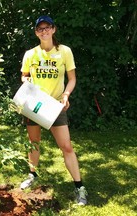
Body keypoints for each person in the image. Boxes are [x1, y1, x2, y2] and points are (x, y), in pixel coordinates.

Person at [19, 15, 88, 205]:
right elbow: (24, 76)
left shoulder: (64, 51)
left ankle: (79, 187)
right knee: (33, 142)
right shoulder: (30, 54)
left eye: (47, 27)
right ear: (36, 32)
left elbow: (72, 78)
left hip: (56, 105)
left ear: (53, 29)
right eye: (40, 29)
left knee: (66, 146)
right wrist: (28, 82)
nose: (44, 31)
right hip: (35, 104)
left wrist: (66, 95)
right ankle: (32, 174)